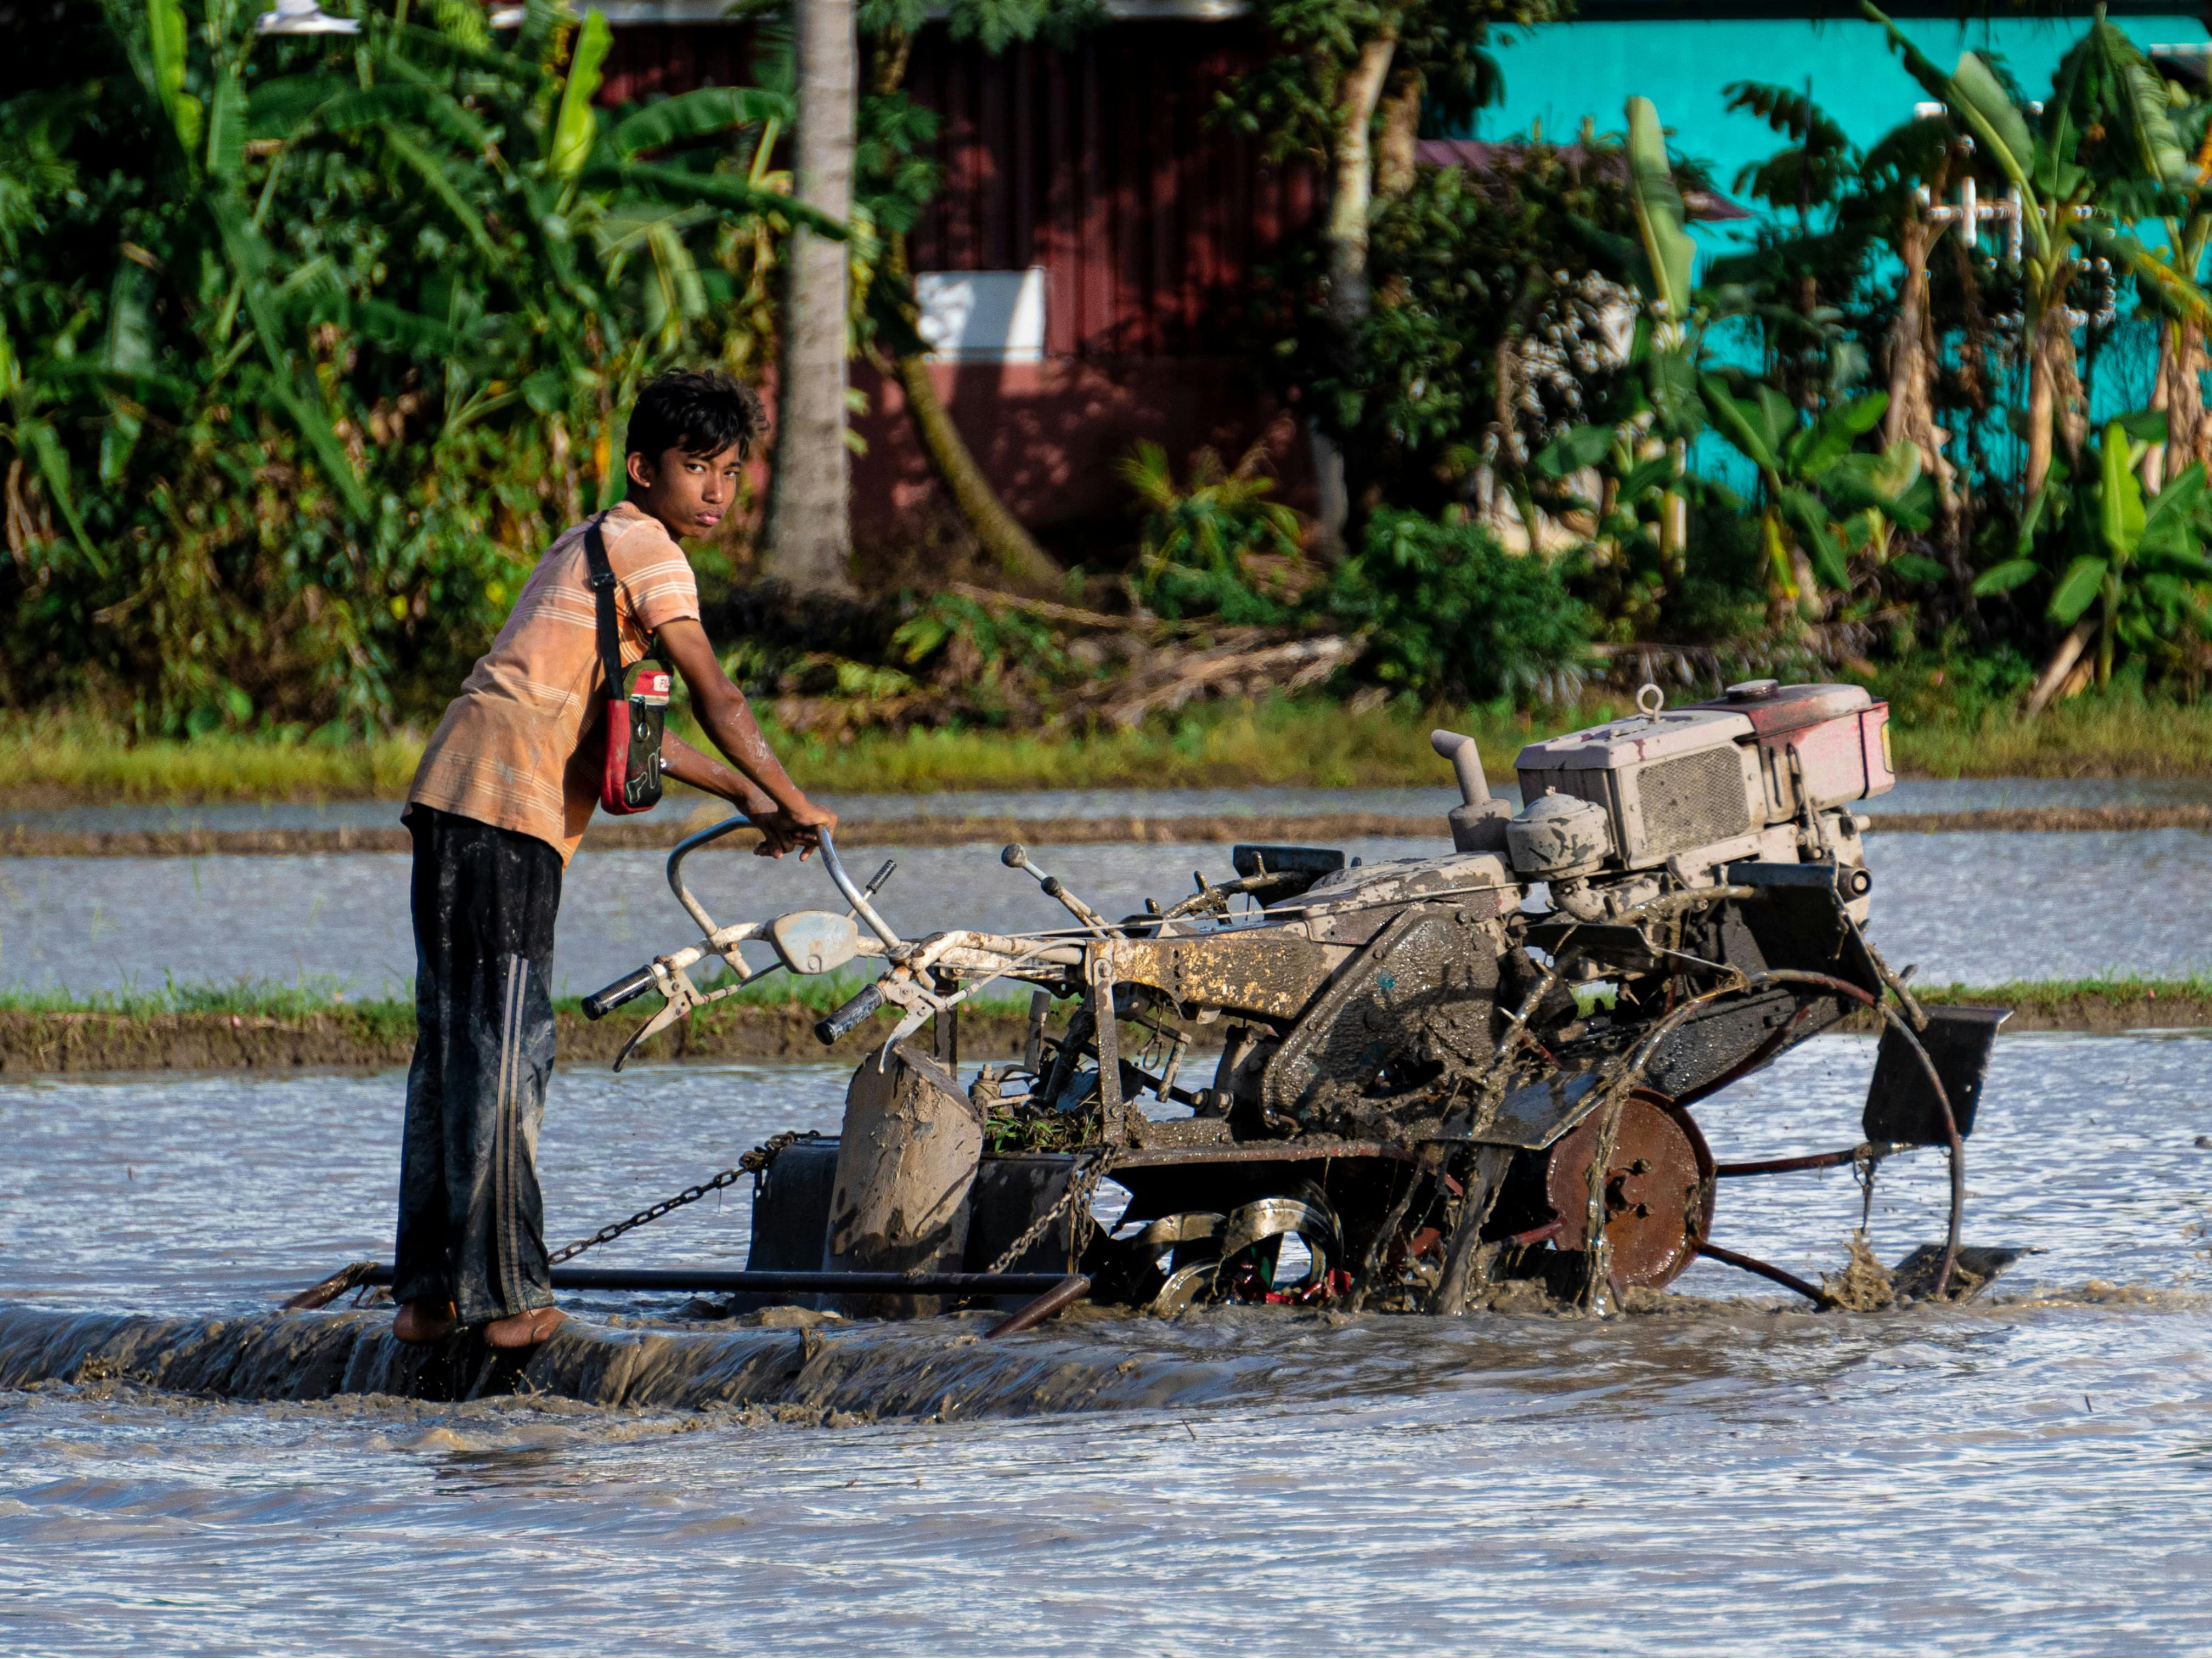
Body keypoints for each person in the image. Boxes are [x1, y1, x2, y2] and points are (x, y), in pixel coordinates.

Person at [390, 370, 837, 1348]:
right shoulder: (647, 549)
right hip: (505, 809)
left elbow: (632, 736)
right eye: (695, 469)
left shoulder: (590, 547)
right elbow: (714, 692)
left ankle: (429, 1299)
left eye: (728, 472)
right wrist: (798, 797)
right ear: (645, 470)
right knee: (508, 1051)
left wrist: (753, 801)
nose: (714, 492)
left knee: (455, 1050)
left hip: (456, 795)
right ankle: (510, 1302)